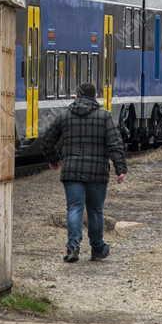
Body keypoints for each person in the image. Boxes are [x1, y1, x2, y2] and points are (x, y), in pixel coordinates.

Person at [41, 82, 127, 263]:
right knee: (95, 211)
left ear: (77, 95)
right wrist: (120, 169)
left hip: (72, 171)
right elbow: (115, 144)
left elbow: (47, 139)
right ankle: (97, 249)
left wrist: (53, 160)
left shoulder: (64, 116)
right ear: (94, 96)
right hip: (97, 172)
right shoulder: (104, 117)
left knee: (74, 208)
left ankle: (73, 248)